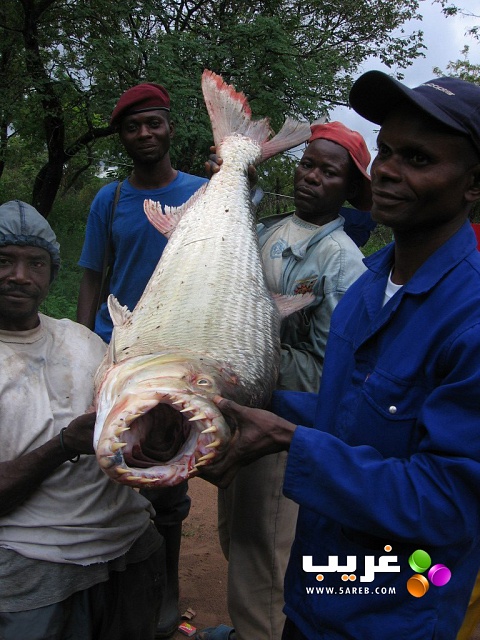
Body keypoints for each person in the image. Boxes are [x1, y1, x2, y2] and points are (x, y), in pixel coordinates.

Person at [198, 72, 480, 640]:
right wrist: (244, 399)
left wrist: (287, 442)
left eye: (420, 159)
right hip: (318, 590)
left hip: (395, 612)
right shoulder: (368, 288)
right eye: (388, 152)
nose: (389, 171)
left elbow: (448, 503)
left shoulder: (469, 317)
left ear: (474, 185)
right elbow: (348, 414)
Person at [212, 123, 371, 640]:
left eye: (330, 172)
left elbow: (330, 371)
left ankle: (261, 631)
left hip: (281, 423)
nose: (312, 178)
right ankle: (244, 627)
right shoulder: (270, 229)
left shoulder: (341, 260)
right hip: (242, 404)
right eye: (308, 164)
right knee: (235, 530)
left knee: (266, 546)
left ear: (348, 190)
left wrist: (254, 357)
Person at [77, 82, 208, 638]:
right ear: (123, 137)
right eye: (133, 127)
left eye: (153, 123)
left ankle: (166, 597)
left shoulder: (205, 194)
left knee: (167, 479)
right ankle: (108, 591)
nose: (145, 134)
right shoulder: (108, 201)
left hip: (173, 359)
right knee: (109, 468)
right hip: (120, 355)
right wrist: (83, 344)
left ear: (169, 127)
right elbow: (91, 276)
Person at [0, 200, 165, 640]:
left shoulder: (84, 340)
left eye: (35, 263)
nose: (20, 275)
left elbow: (137, 444)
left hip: (130, 547)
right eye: (5, 261)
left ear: (51, 274)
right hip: (35, 563)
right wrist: (64, 445)